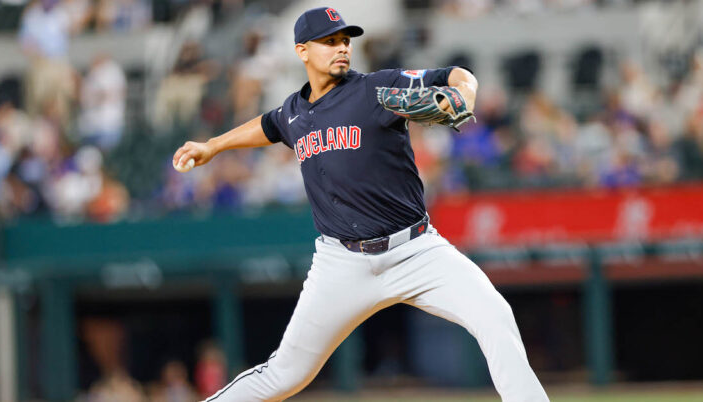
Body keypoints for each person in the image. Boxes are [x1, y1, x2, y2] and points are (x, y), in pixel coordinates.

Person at [173, 7, 549, 402]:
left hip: (416, 250)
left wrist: (463, 94)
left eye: (345, 40)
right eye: (330, 41)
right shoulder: (294, 112)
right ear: (302, 51)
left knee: (495, 316)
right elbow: (268, 125)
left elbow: (456, 75)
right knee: (284, 375)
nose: (342, 48)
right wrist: (213, 145)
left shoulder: (377, 89)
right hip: (342, 263)